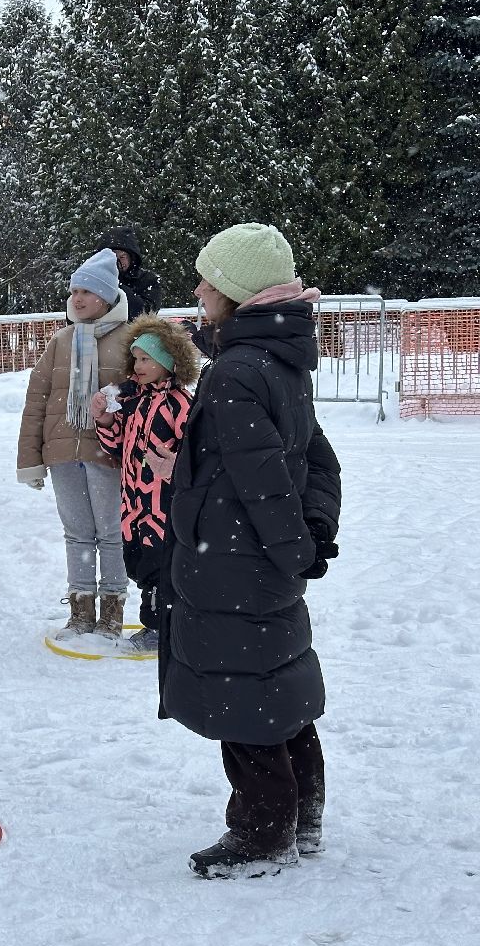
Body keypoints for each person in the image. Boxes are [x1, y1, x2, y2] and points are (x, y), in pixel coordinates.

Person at [163, 222, 341, 879]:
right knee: (280, 695)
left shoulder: (237, 373)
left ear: (236, 293)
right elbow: (318, 462)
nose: (198, 289)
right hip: (255, 561)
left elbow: (263, 484)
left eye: (209, 279)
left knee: (247, 706)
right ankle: (305, 815)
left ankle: (264, 836)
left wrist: (298, 547)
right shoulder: (279, 362)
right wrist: (313, 535)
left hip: (235, 566)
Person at [17, 249, 130, 641]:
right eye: (74, 291)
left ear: (108, 295)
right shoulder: (60, 341)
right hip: (64, 453)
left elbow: (143, 397)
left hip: (108, 454)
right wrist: (31, 459)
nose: (77, 299)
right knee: (78, 533)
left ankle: (112, 612)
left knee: (111, 532)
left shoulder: (131, 339)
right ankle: (81, 611)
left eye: (87, 291)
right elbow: (36, 403)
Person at [92, 316, 198, 653]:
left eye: (145, 359)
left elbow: (197, 453)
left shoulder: (180, 404)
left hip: (162, 508)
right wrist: (106, 418)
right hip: (133, 504)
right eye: (135, 358)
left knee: (160, 569)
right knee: (137, 562)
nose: (137, 365)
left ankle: (160, 627)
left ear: (168, 363)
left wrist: (175, 468)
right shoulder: (134, 400)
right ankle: (158, 619)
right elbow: (116, 444)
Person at [96, 225, 163, 317]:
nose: (117, 261)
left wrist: (116, 285)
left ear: (131, 258)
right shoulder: (94, 280)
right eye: (112, 256)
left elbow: (145, 313)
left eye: (122, 257)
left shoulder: (148, 280)